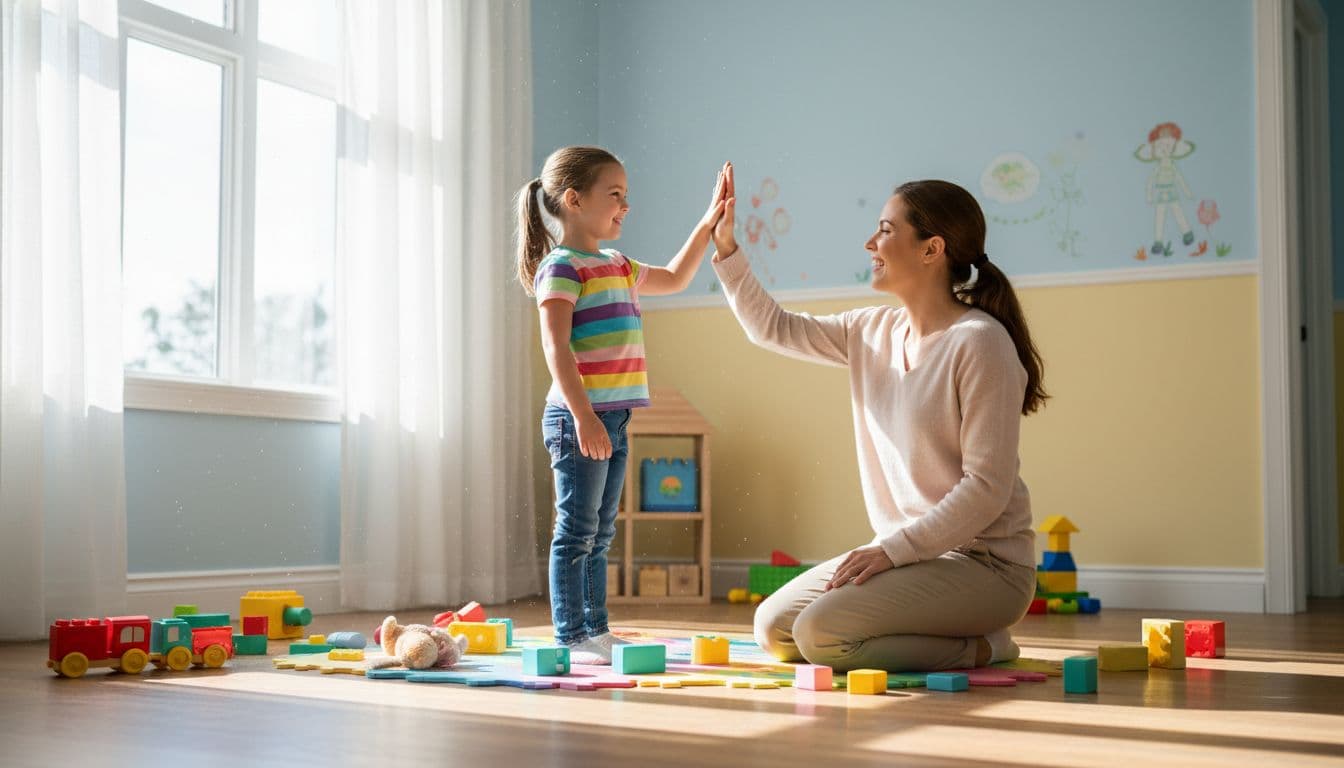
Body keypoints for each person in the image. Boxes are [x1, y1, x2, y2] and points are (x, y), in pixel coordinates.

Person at [709, 166, 1046, 672]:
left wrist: (890, 552)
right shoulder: (870, 329)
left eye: (886, 230)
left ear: (932, 250)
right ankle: (950, 635)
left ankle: (986, 646)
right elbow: (772, 328)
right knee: (775, 629)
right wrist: (727, 245)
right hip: (909, 557)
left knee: (821, 637)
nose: (871, 242)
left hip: (987, 567)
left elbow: (986, 487)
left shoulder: (980, 343)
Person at [516, 146, 728, 664]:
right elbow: (556, 348)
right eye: (615, 195)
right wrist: (585, 415)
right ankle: (571, 634)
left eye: (625, 197)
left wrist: (707, 223)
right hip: (576, 417)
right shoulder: (562, 267)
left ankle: (596, 629)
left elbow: (676, 278)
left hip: (615, 416)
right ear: (573, 199)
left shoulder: (619, 265)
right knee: (576, 529)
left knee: (602, 530)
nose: (625, 206)